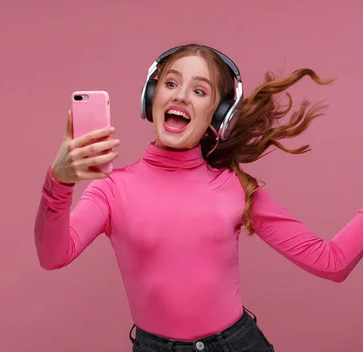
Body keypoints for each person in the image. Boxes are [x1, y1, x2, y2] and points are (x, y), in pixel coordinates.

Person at [33, 44, 363, 352]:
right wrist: (59, 183)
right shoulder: (112, 189)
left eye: (200, 90)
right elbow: (53, 256)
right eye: (171, 83)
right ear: (152, 96)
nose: (182, 97)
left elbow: (330, 262)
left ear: (219, 117)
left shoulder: (236, 187)